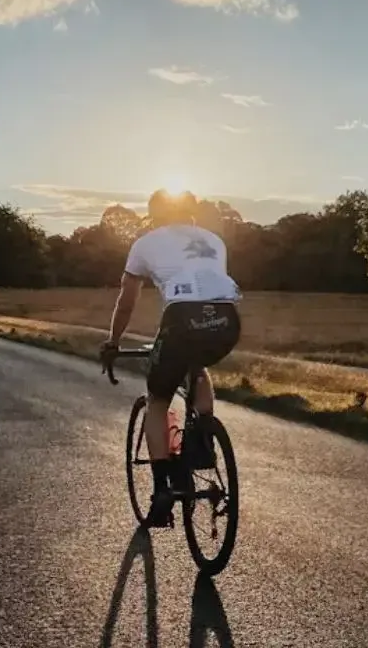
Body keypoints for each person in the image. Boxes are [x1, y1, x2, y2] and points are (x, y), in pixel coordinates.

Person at [100, 210, 242, 528]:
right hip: (227, 319)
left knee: (158, 400)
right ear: (191, 213)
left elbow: (127, 298)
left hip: (181, 319)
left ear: (154, 214)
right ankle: (203, 437)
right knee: (197, 364)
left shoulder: (145, 242)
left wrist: (113, 341)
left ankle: (162, 493)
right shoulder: (213, 239)